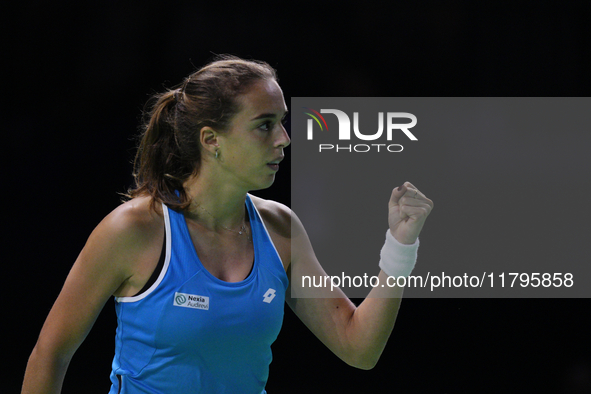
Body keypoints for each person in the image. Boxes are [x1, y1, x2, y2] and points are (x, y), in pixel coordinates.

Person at [21, 55, 433, 393]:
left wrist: (400, 248)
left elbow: (358, 347)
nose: (285, 138)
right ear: (211, 140)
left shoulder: (280, 229)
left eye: (282, 121)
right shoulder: (136, 230)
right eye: (264, 125)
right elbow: (49, 355)